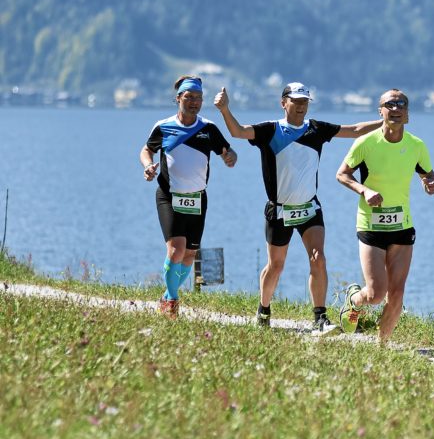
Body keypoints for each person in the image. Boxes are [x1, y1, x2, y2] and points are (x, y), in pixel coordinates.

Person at [214, 83, 381, 331]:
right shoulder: (270, 130)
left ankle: (319, 317)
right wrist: (225, 110)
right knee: (276, 266)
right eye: (296, 101)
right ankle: (264, 309)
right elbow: (238, 132)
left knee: (318, 258)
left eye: (305, 101)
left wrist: (385, 121)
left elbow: (355, 130)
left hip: (310, 209)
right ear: (284, 103)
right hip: (279, 210)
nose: (301, 106)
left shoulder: (316, 129)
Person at [336, 88, 434, 343]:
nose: (395, 108)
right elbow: (342, 174)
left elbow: (427, 172)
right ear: (380, 111)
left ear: (407, 114)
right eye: (389, 104)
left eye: (401, 104)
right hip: (371, 225)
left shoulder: (416, 146)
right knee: (376, 294)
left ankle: (382, 346)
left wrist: (431, 183)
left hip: (402, 226)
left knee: (397, 293)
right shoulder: (366, 143)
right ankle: (355, 300)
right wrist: (364, 189)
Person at [140, 75, 237, 318]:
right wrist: (148, 165)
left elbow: (229, 152)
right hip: (168, 196)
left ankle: (166, 294)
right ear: (178, 98)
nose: (194, 102)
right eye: (189, 97)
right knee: (176, 250)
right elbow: (146, 150)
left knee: (190, 255)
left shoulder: (208, 129)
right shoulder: (163, 126)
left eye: (198, 98)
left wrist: (230, 157)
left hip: (197, 199)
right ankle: (172, 301)